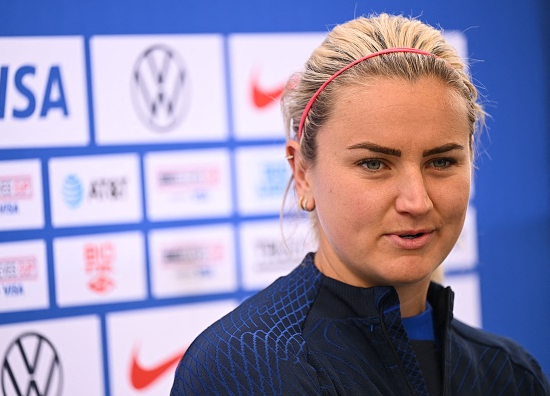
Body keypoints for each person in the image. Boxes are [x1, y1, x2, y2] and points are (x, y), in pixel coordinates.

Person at [171, 13, 550, 395]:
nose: (416, 201)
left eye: (441, 162)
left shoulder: (510, 373)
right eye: (374, 163)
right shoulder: (245, 366)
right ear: (303, 173)